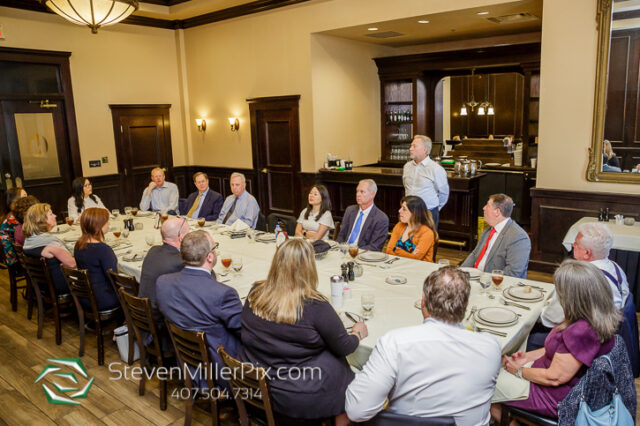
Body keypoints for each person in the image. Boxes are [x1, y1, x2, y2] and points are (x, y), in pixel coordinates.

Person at [345, 267, 501, 425]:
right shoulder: (491, 347)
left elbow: (357, 411)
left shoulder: (395, 343)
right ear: (466, 305)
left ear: (423, 301)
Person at [241, 238, 367, 425]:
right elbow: (344, 347)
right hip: (296, 395)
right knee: (342, 370)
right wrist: (357, 332)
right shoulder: (315, 305)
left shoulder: (255, 292)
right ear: (309, 267)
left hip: (254, 384)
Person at [492, 260, 621, 421]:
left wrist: (519, 371)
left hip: (558, 397)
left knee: (486, 384)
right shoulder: (591, 315)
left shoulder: (582, 330)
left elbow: (554, 377)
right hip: (552, 379)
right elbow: (557, 350)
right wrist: (527, 358)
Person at [534, 222, 635, 355]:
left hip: (590, 341)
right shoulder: (615, 267)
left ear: (587, 253)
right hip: (611, 334)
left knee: (531, 335)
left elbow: (551, 319)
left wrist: (534, 316)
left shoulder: (578, 278)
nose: (573, 245)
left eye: (576, 243)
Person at [157, 230, 242, 387]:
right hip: (221, 369)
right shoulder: (222, 293)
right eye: (215, 247)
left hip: (185, 362)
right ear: (210, 257)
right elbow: (244, 331)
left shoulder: (162, 283)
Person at [138, 217, 189, 352]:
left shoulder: (153, 250)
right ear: (181, 237)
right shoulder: (179, 261)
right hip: (161, 331)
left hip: (143, 320)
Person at [461, 194, 531, 279]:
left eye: (487, 205)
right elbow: (475, 254)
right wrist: (460, 272)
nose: (484, 208)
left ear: (497, 212)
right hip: (475, 278)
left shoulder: (518, 237)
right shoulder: (488, 230)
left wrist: (485, 280)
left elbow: (513, 273)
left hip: (495, 284)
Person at [23, 203, 76, 294]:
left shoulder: (29, 241)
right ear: (41, 220)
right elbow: (72, 264)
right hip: (61, 285)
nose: (55, 216)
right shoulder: (51, 244)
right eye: (51, 214)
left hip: (42, 285)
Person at [73, 208, 119, 310]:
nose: (109, 224)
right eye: (107, 221)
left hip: (84, 296)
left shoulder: (79, 244)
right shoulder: (103, 249)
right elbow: (114, 278)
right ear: (99, 225)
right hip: (102, 299)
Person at [402, 135, 449, 229]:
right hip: (409, 212)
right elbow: (406, 186)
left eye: (414, 146)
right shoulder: (407, 166)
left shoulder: (436, 169)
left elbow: (444, 193)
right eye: (411, 146)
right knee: (408, 242)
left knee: (427, 241)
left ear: (425, 149)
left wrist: (434, 208)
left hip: (427, 212)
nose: (410, 149)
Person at [336, 179, 389, 251]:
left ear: (372, 194)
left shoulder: (381, 218)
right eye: (357, 191)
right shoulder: (350, 210)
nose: (358, 194)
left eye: (362, 192)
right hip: (343, 252)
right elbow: (341, 235)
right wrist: (340, 249)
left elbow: (375, 247)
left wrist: (352, 251)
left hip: (362, 255)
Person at [386, 196, 438, 262]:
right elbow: (388, 250)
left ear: (414, 213)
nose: (399, 211)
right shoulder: (399, 225)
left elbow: (416, 258)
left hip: (420, 269)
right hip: (398, 265)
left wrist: (396, 250)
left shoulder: (427, 233)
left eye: (404, 209)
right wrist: (410, 254)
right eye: (401, 207)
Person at [0, 187, 27, 266]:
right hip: (16, 258)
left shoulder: (11, 214)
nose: (28, 199)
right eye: (24, 197)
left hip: (16, 254)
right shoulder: (13, 219)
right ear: (14, 201)